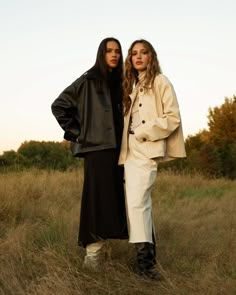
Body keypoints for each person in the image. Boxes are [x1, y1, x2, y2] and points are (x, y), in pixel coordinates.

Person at [51, 37, 128, 270]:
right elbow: (59, 105)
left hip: (119, 150)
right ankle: (91, 255)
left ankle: (101, 248)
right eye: (109, 51)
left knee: (113, 200)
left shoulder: (122, 82)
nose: (114, 54)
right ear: (101, 54)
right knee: (96, 200)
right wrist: (78, 134)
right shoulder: (88, 79)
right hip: (97, 149)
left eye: (117, 51)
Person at [119, 39, 186, 279]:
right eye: (134, 53)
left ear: (151, 56)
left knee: (137, 203)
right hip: (129, 152)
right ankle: (148, 264)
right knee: (139, 206)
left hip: (147, 148)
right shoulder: (132, 84)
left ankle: (146, 266)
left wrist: (145, 132)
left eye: (143, 53)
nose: (138, 57)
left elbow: (173, 117)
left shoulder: (160, 81)